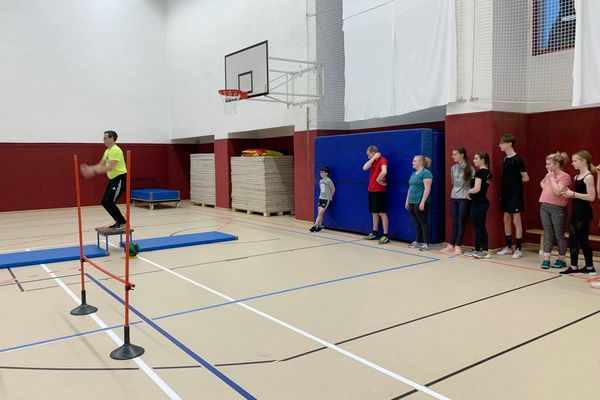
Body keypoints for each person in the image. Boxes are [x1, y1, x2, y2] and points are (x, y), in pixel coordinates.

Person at [80, 130, 128, 229]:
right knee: (105, 202)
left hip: (120, 179)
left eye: (106, 138)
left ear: (112, 138)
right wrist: (90, 168)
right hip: (113, 180)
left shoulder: (116, 150)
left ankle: (123, 222)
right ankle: (119, 221)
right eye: (104, 138)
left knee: (109, 202)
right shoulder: (107, 151)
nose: (104, 140)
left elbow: (110, 167)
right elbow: (100, 165)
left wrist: (93, 171)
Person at [560, 150, 596, 275]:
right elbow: (575, 195)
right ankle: (573, 266)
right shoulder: (576, 177)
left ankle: (590, 267)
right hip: (575, 212)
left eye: (575, 161)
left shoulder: (588, 177)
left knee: (583, 239)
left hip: (584, 213)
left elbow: (591, 197)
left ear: (583, 161)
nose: (573, 163)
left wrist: (573, 194)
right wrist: (568, 194)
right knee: (573, 239)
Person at [497, 134, 529, 259]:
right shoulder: (505, 159)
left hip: (515, 194)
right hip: (506, 194)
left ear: (509, 144)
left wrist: (515, 183)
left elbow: (526, 178)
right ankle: (508, 247)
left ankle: (519, 249)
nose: (499, 145)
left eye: (502, 143)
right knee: (506, 218)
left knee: (516, 220)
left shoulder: (517, 159)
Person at [538, 151, 571, 269]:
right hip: (544, 205)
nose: (546, 166)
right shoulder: (548, 175)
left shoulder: (565, 176)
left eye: (548, 164)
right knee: (548, 232)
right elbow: (542, 183)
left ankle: (561, 259)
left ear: (556, 164)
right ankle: (546, 259)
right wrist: (547, 188)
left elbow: (557, 191)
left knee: (559, 234)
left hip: (557, 208)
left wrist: (552, 178)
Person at [442, 147, 474, 255]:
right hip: (454, 196)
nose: (453, 156)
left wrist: (469, 192)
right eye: (452, 154)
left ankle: (458, 245)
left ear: (462, 155)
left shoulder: (470, 168)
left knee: (461, 221)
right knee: (454, 221)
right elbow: (453, 182)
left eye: (455, 154)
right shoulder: (453, 168)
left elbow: (473, 183)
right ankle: (451, 244)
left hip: (464, 198)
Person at [466, 152, 492, 259]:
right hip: (482, 202)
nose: (474, 160)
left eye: (476, 158)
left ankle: (480, 250)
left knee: (478, 227)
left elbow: (477, 188)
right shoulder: (488, 173)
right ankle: (482, 249)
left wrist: (469, 191)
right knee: (481, 226)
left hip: (478, 204)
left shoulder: (480, 172)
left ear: (483, 160)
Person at [362, 146, 390, 244]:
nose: (368, 156)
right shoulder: (373, 161)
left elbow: (384, 171)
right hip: (371, 189)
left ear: (373, 152)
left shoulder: (383, 160)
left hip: (379, 190)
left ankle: (385, 235)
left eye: (369, 154)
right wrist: (373, 158)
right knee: (374, 212)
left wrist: (378, 179)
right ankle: (374, 232)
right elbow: (364, 167)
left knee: (382, 212)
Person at [405, 155, 433, 251]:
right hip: (412, 201)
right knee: (417, 222)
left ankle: (426, 243)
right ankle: (418, 241)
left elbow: (427, 188)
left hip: (420, 201)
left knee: (423, 222)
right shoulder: (413, 174)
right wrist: (407, 200)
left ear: (421, 162)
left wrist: (422, 202)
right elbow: (410, 188)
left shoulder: (426, 173)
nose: (412, 162)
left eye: (414, 161)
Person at [310, 166, 335, 232]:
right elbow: (321, 190)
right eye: (320, 172)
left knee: (321, 212)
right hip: (321, 198)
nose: (321, 173)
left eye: (322, 172)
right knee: (320, 213)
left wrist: (330, 197)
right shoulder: (320, 181)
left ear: (326, 173)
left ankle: (315, 226)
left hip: (326, 199)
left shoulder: (329, 180)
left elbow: (333, 189)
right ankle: (319, 226)